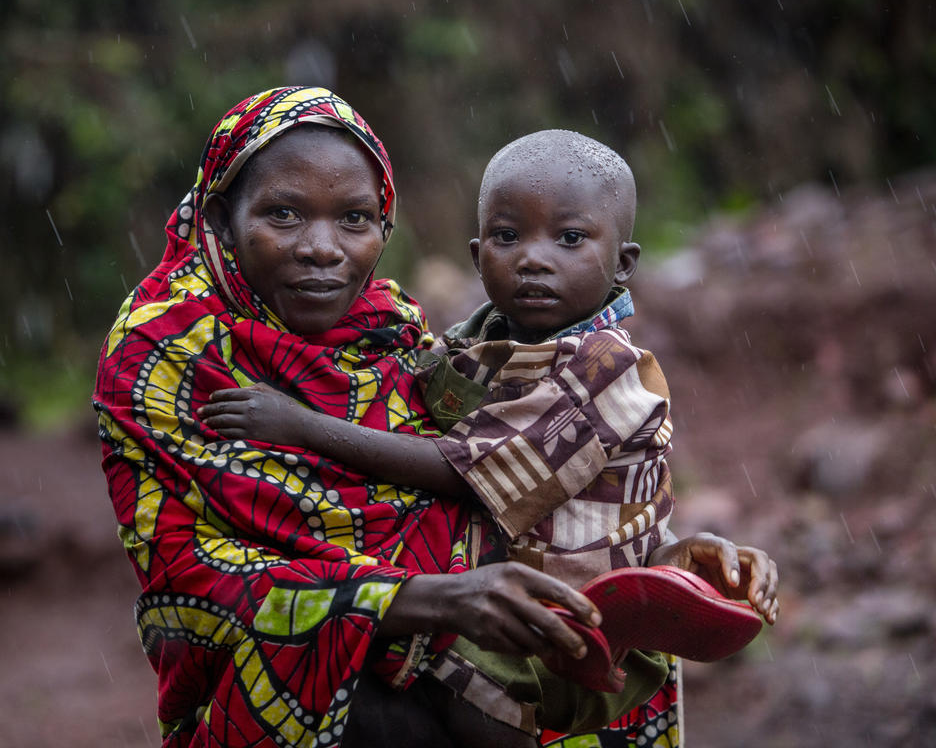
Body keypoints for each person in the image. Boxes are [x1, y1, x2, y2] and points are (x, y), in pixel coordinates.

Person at [94, 88, 641, 748]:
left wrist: (658, 544)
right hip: (280, 697)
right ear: (220, 218)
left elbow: (501, 478)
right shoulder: (163, 352)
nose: (322, 249)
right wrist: (435, 598)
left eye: (353, 218)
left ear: (383, 227)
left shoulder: (392, 330)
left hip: (465, 673)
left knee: (603, 683)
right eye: (284, 214)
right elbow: (196, 575)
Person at [200, 129, 780, 743]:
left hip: (588, 629)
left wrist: (304, 427)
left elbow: (465, 472)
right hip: (511, 610)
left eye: (571, 238)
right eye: (508, 237)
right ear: (478, 257)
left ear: (624, 264)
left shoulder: (608, 370)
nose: (534, 257)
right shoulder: (465, 346)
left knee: (474, 705)